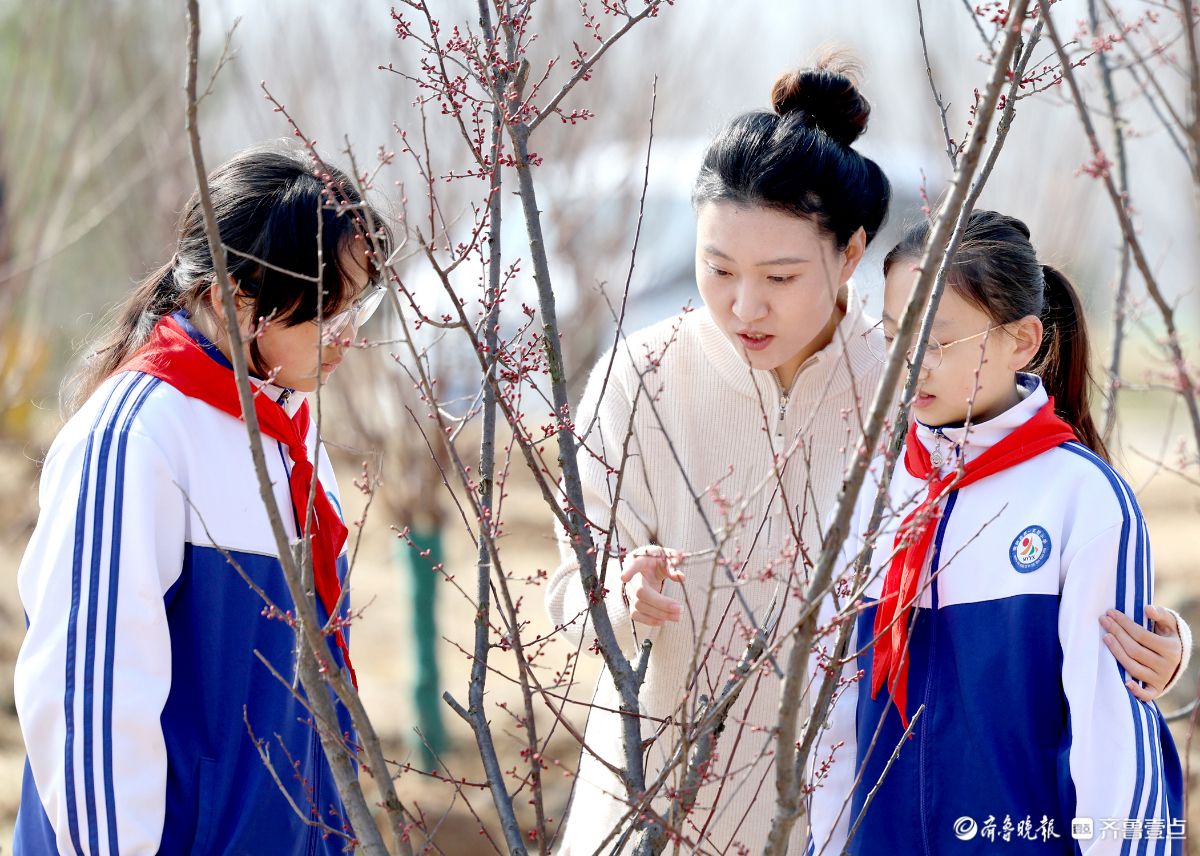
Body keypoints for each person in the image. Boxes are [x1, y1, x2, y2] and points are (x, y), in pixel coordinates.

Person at [545, 61, 1190, 854]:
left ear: (851, 253)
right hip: (657, 808)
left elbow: (1014, 533)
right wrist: (617, 593)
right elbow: (569, 596)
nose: (745, 305)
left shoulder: (907, 375)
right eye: (718, 269)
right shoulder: (637, 378)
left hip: (833, 820)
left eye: (781, 276)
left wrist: (1144, 648)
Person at [13, 144, 390, 853]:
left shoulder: (287, 427)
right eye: (327, 312)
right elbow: (88, 713)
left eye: (358, 307)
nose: (348, 338)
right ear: (232, 300)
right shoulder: (136, 439)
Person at [806, 211, 1184, 854]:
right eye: (896, 337)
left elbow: (1113, 739)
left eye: (937, 342)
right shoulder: (870, 490)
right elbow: (835, 711)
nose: (912, 365)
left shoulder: (1081, 498)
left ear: (1023, 340)